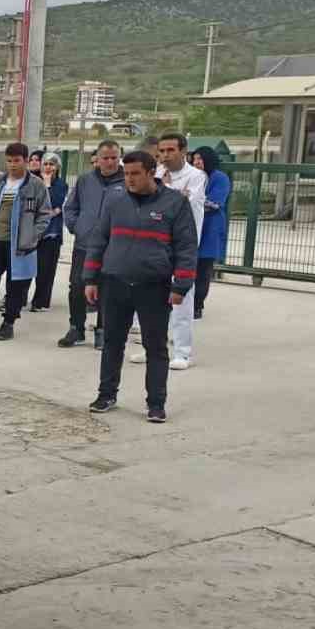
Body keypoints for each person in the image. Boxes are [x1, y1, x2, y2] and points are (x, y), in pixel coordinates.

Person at [84, 150, 198, 423]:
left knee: (155, 346)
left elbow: (186, 247)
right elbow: (99, 239)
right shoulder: (115, 201)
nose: (130, 179)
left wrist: (180, 285)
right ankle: (106, 394)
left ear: (151, 173)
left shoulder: (174, 204)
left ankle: (156, 403)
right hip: (114, 282)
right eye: (126, 174)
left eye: (136, 174)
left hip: (153, 286)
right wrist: (90, 278)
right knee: (112, 342)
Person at [136, 134, 207, 369]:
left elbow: (182, 203)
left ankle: (182, 352)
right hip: (155, 245)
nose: (165, 155)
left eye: (170, 150)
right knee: (151, 301)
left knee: (181, 301)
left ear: (183, 151)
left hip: (182, 246)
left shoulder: (196, 177)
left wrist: (166, 188)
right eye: (162, 151)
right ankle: (151, 347)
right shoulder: (155, 173)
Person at [0, 143, 51, 342]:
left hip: (20, 246)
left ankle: (8, 323)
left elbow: (44, 215)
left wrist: (33, 237)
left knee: (16, 287)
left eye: (17, 160)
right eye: (9, 161)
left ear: (25, 160)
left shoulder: (36, 185)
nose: (13, 165)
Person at [58, 140, 123, 349]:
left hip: (113, 247)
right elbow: (70, 207)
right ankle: (76, 327)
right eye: (106, 158)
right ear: (97, 159)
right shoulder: (85, 180)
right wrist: (77, 226)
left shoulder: (127, 180)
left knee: (107, 289)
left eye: (114, 157)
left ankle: (103, 331)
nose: (110, 162)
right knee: (77, 287)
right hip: (84, 245)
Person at [191, 147, 230, 320]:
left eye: (200, 159)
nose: (197, 162)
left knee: (203, 269)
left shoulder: (220, 178)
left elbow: (214, 203)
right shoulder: (193, 176)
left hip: (210, 228)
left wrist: (192, 201)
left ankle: (197, 305)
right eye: (194, 159)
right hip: (190, 226)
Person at [30, 153, 68, 312]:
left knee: (46, 269)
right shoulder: (33, 183)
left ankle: (41, 301)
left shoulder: (61, 185)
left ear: (57, 167)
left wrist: (47, 185)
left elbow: (54, 203)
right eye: (45, 164)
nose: (48, 167)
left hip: (51, 234)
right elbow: (35, 205)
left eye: (52, 164)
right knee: (28, 268)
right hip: (33, 232)